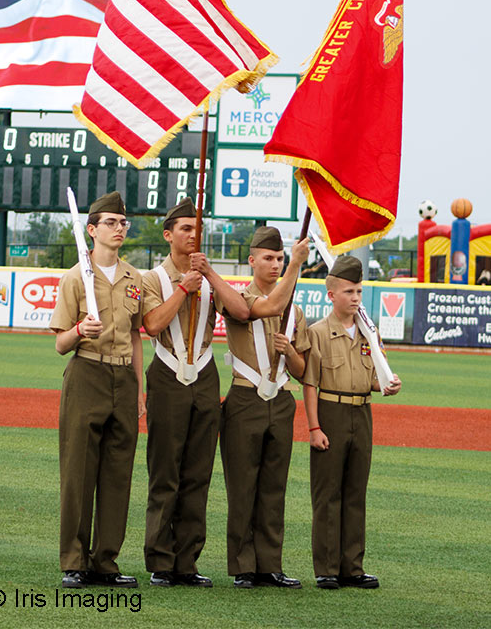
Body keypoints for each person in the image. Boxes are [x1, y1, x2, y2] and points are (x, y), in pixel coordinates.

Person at [142, 197, 249, 587]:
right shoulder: (153, 278)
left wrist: (211, 275)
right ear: (169, 235)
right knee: (165, 471)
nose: (192, 235)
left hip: (204, 376)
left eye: (196, 228)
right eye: (185, 229)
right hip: (168, 374)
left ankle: (187, 561)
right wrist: (183, 289)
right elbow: (152, 324)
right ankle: (160, 559)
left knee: (198, 473)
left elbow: (239, 311)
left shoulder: (207, 276)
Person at [50, 191, 145, 589]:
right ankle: (75, 559)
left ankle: (105, 560)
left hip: (123, 378)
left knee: (118, 474)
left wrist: (139, 389)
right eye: (110, 222)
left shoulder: (134, 278)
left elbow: (137, 336)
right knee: (78, 472)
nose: (119, 228)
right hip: (86, 374)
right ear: (91, 230)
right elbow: (59, 344)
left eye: (123, 222)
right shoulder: (75, 277)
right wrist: (78, 331)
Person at [303, 256, 402, 590]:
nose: (356, 297)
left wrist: (388, 383)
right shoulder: (317, 332)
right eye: (349, 291)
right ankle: (327, 568)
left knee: (355, 492)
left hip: (362, 412)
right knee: (327, 493)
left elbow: (374, 378)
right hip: (331, 410)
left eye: (359, 290)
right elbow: (310, 383)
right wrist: (314, 427)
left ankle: (353, 567)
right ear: (331, 295)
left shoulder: (368, 333)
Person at [219, 227, 311, 589]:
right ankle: (243, 564)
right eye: (268, 258)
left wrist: (290, 352)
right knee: (242, 486)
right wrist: (297, 267)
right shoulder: (236, 298)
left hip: (281, 399)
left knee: (274, 487)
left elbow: (304, 372)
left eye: (280, 259)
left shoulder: (296, 312)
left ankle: (270, 564)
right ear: (252, 260)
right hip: (245, 398)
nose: (275, 264)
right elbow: (257, 309)